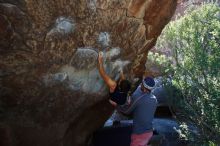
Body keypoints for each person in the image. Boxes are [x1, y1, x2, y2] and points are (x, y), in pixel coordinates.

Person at [117, 76, 157, 146]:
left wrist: (116, 105)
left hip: (140, 134)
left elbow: (126, 111)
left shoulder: (139, 98)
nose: (145, 90)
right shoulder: (154, 99)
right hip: (149, 133)